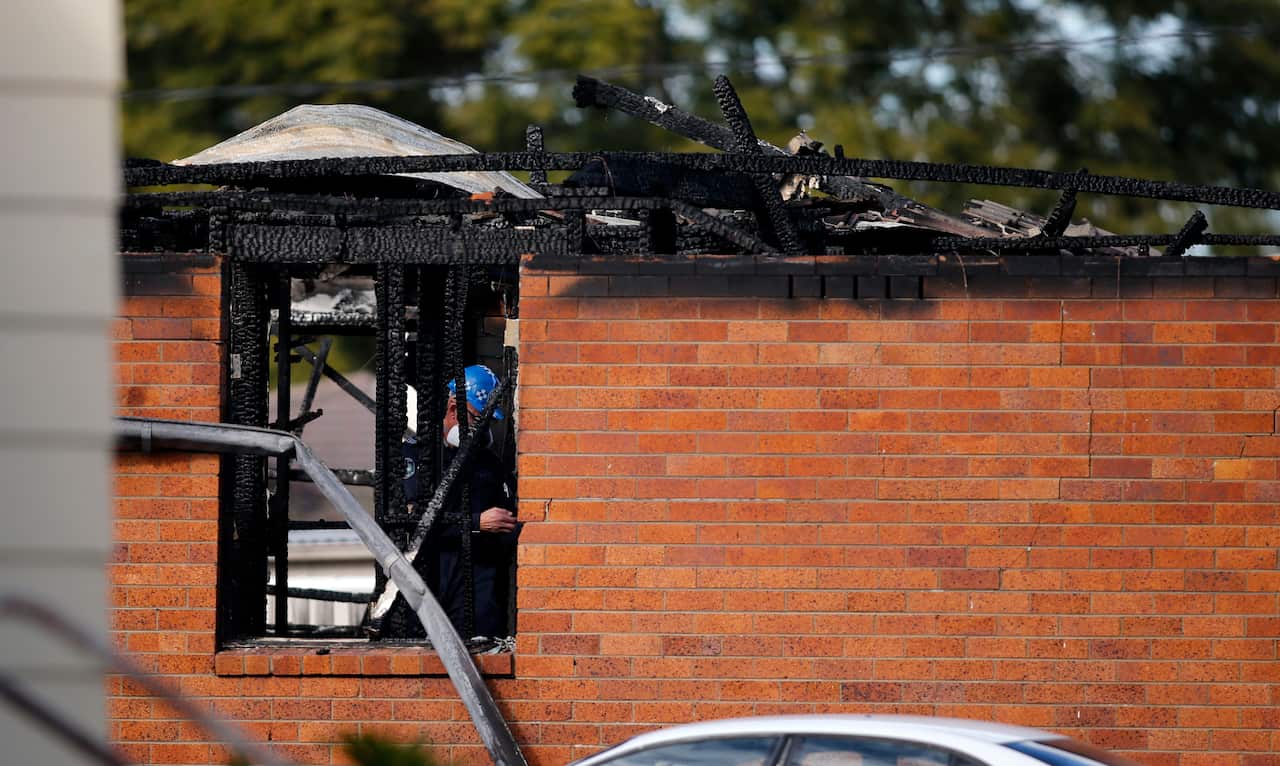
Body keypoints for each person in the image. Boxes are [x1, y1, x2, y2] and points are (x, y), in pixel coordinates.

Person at [403, 364, 519, 640]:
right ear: (454, 410)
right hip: (432, 582)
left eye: (489, 422)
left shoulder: (488, 464)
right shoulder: (418, 457)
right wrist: (477, 523)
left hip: (479, 592)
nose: (484, 430)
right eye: (479, 420)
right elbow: (413, 522)